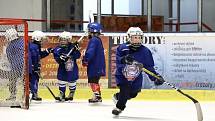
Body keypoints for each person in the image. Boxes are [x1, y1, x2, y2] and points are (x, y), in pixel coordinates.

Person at [112, 27, 164, 115]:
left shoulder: (145, 51)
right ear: (129, 37)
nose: (137, 40)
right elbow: (118, 60)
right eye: (135, 37)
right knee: (125, 90)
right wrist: (124, 59)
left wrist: (155, 77)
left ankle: (118, 96)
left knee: (133, 94)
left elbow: (149, 67)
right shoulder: (123, 48)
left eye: (139, 37)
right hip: (123, 76)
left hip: (136, 77)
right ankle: (119, 108)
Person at [53, 31, 81, 101]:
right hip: (62, 69)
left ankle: (71, 93)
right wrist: (60, 59)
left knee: (72, 80)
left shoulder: (73, 47)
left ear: (68, 40)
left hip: (72, 68)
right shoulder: (57, 48)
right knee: (61, 80)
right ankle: (62, 93)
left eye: (64, 40)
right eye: (61, 39)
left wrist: (75, 51)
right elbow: (57, 58)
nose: (62, 41)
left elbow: (78, 56)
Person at [82, 22, 106, 103]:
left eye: (89, 31)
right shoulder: (97, 40)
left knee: (93, 81)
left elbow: (90, 52)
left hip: (94, 66)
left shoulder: (94, 40)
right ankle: (97, 96)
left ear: (92, 31)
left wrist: (85, 59)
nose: (88, 32)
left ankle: (97, 97)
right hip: (98, 65)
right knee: (95, 81)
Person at [0, 28, 25, 100]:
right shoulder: (22, 41)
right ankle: (26, 95)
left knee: (12, 79)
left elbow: (9, 59)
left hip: (16, 68)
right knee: (25, 81)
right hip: (26, 66)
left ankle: (12, 95)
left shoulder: (9, 47)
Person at [29, 30, 53, 101]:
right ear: (37, 39)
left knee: (34, 80)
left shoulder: (36, 46)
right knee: (33, 80)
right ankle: (33, 94)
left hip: (33, 67)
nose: (43, 41)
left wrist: (47, 51)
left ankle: (33, 94)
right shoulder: (34, 47)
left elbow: (39, 55)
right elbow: (34, 57)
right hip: (32, 68)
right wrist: (35, 67)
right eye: (41, 39)